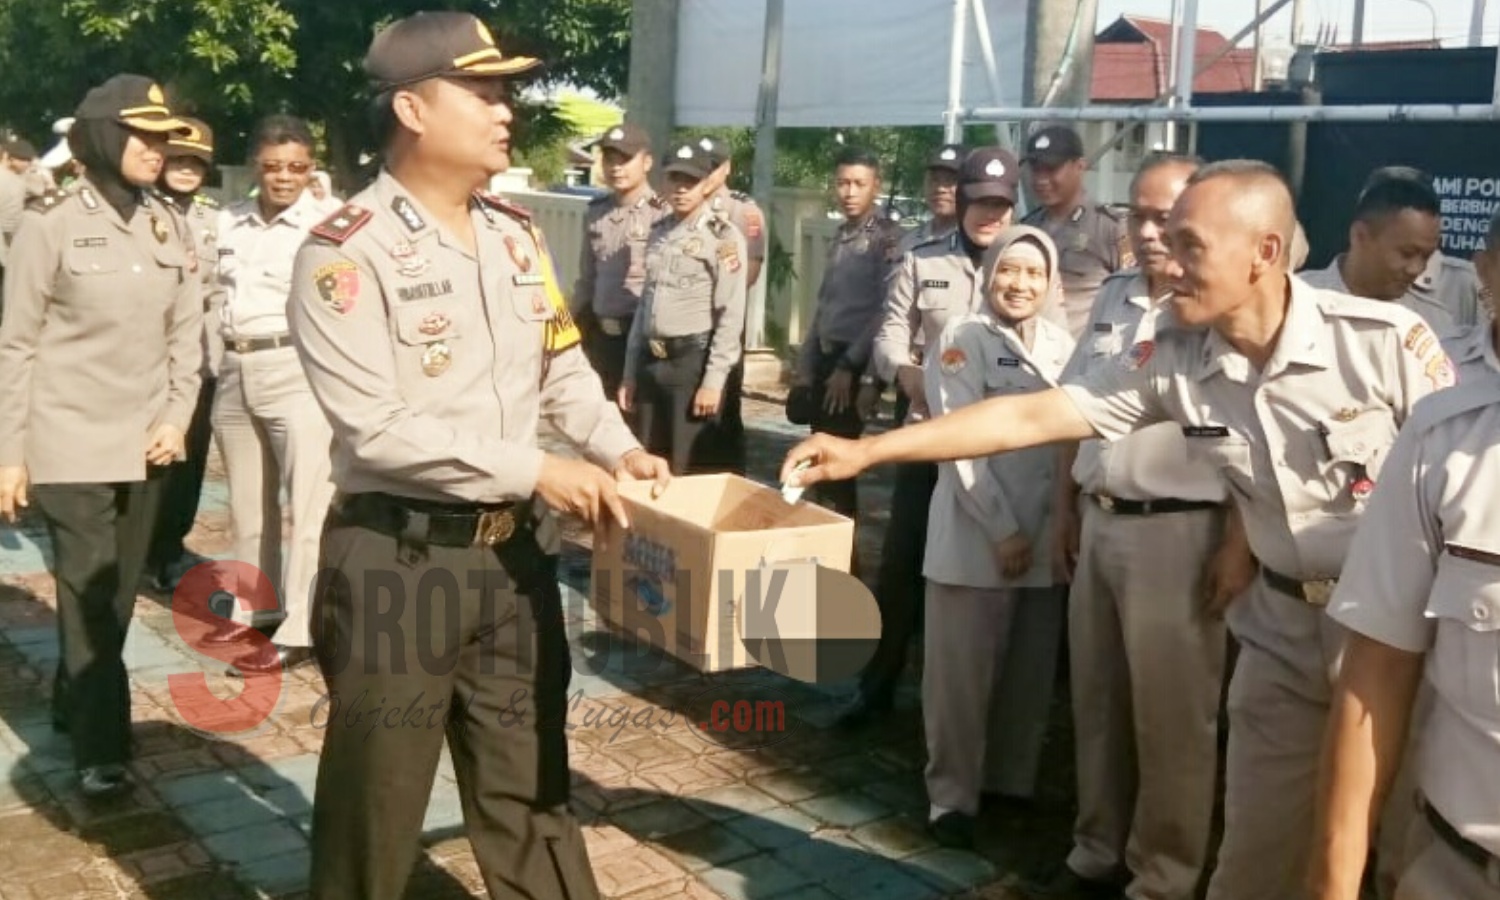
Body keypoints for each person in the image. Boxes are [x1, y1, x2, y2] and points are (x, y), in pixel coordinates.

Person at [781, 160, 1457, 900]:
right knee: (1253, 864)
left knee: (1401, 859)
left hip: (1400, 641)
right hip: (1283, 634)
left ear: (1263, 253)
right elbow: (1034, 415)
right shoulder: (1172, 355)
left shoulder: (1387, 345)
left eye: (1190, 243)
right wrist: (868, 449)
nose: (1163, 254)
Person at [288, 13, 669, 897]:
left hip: (514, 559)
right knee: (376, 809)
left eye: (508, 94)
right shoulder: (344, 253)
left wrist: (618, 449)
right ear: (413, 109)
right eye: (484, 92)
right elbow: (373, 427)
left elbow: (561, 363)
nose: (507, 112)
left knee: (531, 782)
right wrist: (541, 469)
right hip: (398, 562)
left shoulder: (515, 232)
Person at [1028, 153, 1244, 900]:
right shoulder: (1117, 296)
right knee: (1097, 701)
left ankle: (1165, 873)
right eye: (1140, 216)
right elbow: (1073, 408)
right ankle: (1097, 847)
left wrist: (1236, 538)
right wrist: (1065, 508)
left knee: (1175, 722)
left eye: (1168, 218)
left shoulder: (1220, 309)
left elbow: (1242, 437)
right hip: (1101, 520)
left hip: (1180, 536)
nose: (1151, 233)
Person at [0, 74, 199, 798]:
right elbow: (15, 344)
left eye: (163, 136)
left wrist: (177, 416)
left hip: (146, 444)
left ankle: (70, 700)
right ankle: (102, 746)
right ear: (107, 137)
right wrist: (8, 456)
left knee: (115, 602)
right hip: (68, 441)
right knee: (89, 594)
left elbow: (188, 333)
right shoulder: (48, 225)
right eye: (143, 135)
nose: (158, 148)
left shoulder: (171, 224)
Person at [1309, 212, 1500, 900]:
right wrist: (1335, 879)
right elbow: (1377, 671)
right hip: (1460, 865)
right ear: (1489, 276)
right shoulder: (1443, 434)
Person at [836, 147, 1022, 728]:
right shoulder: (922, 258)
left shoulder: (1030, 262)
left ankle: (987, 708)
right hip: (927, 434)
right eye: (981, 201)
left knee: (996, 567)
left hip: (1004, 446)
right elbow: (892, 331)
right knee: (903, 562)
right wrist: (904, 371)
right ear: (963, 200)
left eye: (1001, 204)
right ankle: (879, 683)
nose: (990, 215)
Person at [921, 225, 1075, 849]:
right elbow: (958, 444)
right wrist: (1004, 529)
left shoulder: (1066, 346)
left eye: (1035, 274)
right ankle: (950, 798)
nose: (1020, 284)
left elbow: (1071, 436)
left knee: (1026, 672)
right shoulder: (962, 337)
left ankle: (1010, 783)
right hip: (977, 534)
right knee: (959, 679)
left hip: (1043, 537)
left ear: (1051, 282)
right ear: (989, 275)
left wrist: (1053, 522)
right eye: (1009, 270)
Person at [211, 115, 336, 673]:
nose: (284, 178)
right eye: (272, 167)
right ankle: (257, 609)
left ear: (311, 169)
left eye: (296, 167)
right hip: (236, 365)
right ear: (255, 167)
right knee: (247, 507)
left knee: (307, 504)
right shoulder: (228, 221)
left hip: (296, 367)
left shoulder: (328, 223)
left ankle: (303, 626)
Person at [618, 138, 748, 475]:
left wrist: (714, 380)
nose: (681, 189)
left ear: (707, 184)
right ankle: (649, 530)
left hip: (690, 365)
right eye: (675, 179)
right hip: (652, 362)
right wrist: (630, 371)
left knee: (689, 467)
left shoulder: (723, 237)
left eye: (690, 181)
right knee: (649, 462)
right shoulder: (660, 231)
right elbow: (645, 307)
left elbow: (730, 313)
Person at [792, 146, 903, 521]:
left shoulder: (885, 240)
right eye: (842, 183)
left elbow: (884, 312)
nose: (849, 192)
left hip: (850, 367)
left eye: (859, 184)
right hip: (826, 359)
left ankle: (844, 566)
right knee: (819, 466)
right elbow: (824, 304)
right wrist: (807, 363)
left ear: (876, 186)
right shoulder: (842, 234)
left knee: (836, 473)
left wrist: (852, 366)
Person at [145, 116, 222, 593]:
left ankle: (170, 546)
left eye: (196, 162)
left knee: (190, 463)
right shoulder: (141, 213)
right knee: (150, 459)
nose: (187, 169)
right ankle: (140, 547)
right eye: (178, 160)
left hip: (201, 359)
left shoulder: (217, 219)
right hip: (151, 360)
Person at [1299, 168, 1456, 337]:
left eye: (1426, 256)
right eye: (1407, 253)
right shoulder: (1295, 300)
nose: (1416, 269)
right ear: (1360, 236)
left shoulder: (1435, 323)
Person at [572, 122, 665, 400]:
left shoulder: (662, 213)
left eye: (625, 160)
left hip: (640, 339)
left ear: (646, 162)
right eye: (610, 159)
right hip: (602, 338)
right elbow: (587, 279)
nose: (616, 167)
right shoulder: (597, 212)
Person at [691, 135, 767, 475]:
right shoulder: (680, 205)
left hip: (723, 325)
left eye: (712, 167)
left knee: (721, 417)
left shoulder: (742, 211)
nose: (705, 175)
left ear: (726, 169)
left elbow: (748, 273)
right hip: (683, 334)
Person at [1020, 125, 1131, 337]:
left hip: (1084, 356)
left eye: (1051, 169)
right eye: (1036, 169)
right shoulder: (1027, 228)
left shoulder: (1110, 228)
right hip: (1031, 353)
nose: (1041, 179)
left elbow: (1133, 298)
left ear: (1080, 166)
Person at [897, 143, 964, 256]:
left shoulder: (978, 243)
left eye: (951, 180)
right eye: (934, 180)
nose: (940, 188)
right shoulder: (908, 241)